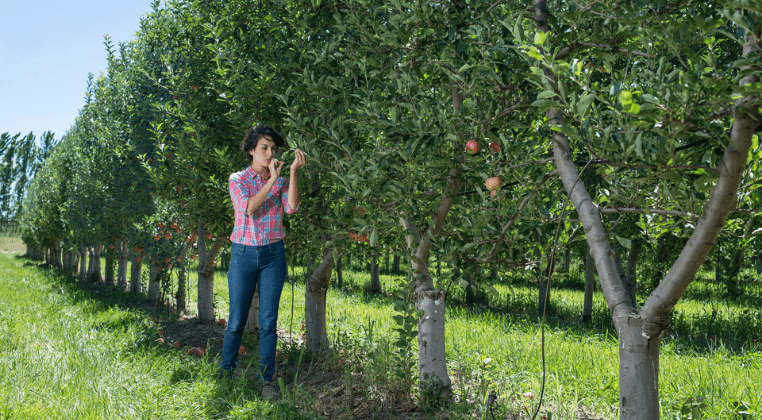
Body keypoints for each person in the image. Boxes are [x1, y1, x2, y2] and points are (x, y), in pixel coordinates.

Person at [220, 124, 306, 400]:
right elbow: (248, 207)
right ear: (251, 151)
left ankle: (267, 380)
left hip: (272, 255)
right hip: (243, 254)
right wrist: (271, 179)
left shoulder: (280, 180)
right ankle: (226, 372)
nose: (270, 153)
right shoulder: (238, 179)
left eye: (273, 149)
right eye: (264, 148)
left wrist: (290, 174)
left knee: (269, 322)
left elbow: (291, 208)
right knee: (236, 320)